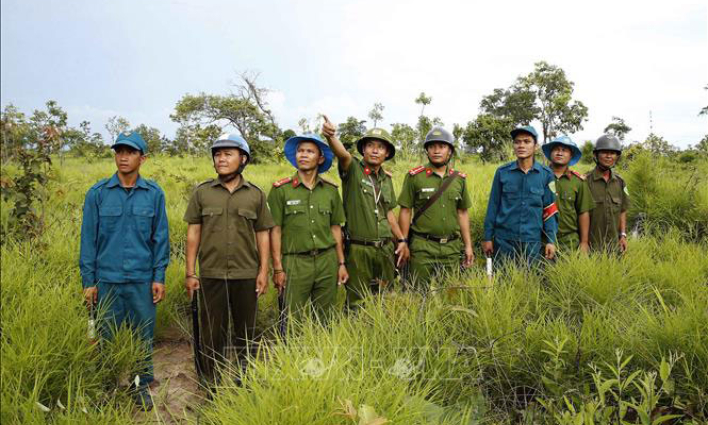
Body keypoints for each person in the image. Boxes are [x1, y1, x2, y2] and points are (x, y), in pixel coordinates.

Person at [79, 131, 169, 410]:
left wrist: (159, 277)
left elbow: (160, 239)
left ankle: (140, 386)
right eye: (119, 152)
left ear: (142, 158)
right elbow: (88, 241)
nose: (123, 157)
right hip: (108, 281)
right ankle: (106, 387)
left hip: (142, 281)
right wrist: (89, 281)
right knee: (105, 336)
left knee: (143, 334)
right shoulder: (97, 194)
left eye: (130, 153)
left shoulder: (154, 194)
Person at [183, 134, 274, 389]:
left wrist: (263, 270)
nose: (221, 159)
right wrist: (190, 273)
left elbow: (263, 234)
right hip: (211, 274)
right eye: (217, 154)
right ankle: (210, 381)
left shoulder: (255, 195)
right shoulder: (202, 193)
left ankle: (246, 377)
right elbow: (193, 234)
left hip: (246, 274)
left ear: (242, 159)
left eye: (228, 154)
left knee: (246, 330)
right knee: (212, 331)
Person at [321, 116, 408, 310]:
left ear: (387, 153)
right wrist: (331, 137)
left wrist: (401, 240)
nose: (375, 150)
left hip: (385, 249)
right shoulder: (352, 169)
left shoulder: (386, 179)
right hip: (359, 250)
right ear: (363, 149)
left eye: (380, 147)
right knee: (357, 301)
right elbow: (342, 155)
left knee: (385, 298)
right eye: (370, 145)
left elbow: (389, 214)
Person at [267, 133, 348, 325]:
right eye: (300, 151)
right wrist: (278, 267)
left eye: (309, 151)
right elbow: (275, 231)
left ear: (320, 158)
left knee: (325, 318)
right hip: (295, 262)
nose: (303, 155)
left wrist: (341, 263)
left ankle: (323, 354)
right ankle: (291, 354)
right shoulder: (281, 190)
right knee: (292, 319)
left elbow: (335, 228)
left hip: (326, 261)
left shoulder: (330, 190)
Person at [397, 127, 474, 287]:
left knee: (449, 295)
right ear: (427, 150)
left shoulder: (459, 179)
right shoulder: (414, 177)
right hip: (422, 248)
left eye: (442, 146)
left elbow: (462, 213)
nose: (437, 151)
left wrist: (468, 246)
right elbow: (405, 210)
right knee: (418, 294)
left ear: (450, 151)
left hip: (451, 248)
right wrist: (403, 241)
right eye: (432, 146)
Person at [482, 125, 558, 266]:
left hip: (532, 242)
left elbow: (550, 210)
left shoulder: (546, 174)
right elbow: (493, 206)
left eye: (527, 141)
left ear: (535, 146)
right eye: (517, 142)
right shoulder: (502, 172)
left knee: (530, 282)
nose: (521, 145)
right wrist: (487, 237)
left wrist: (550, 240)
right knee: (503, 282)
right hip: (504, 241)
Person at [541, 135, 595, 254]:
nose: (560, 153)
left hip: (569, 242)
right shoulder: (539, 177)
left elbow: (583, 212)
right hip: (542, 240)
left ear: (571, 156)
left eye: (564, 150)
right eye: (556, 149)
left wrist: (584, 242)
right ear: (550, 153)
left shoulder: (578, 182)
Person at [585, 135, 630, 253]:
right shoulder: (585, 181)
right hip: (591, 246)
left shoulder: (620, 182)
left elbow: (623, 210)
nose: (609, 156)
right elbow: (580, 214)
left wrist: (623, 235)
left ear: (617, 157)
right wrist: (583, 242)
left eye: (613, 153)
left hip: (614, 246)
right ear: (596, 155)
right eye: (604, 152)